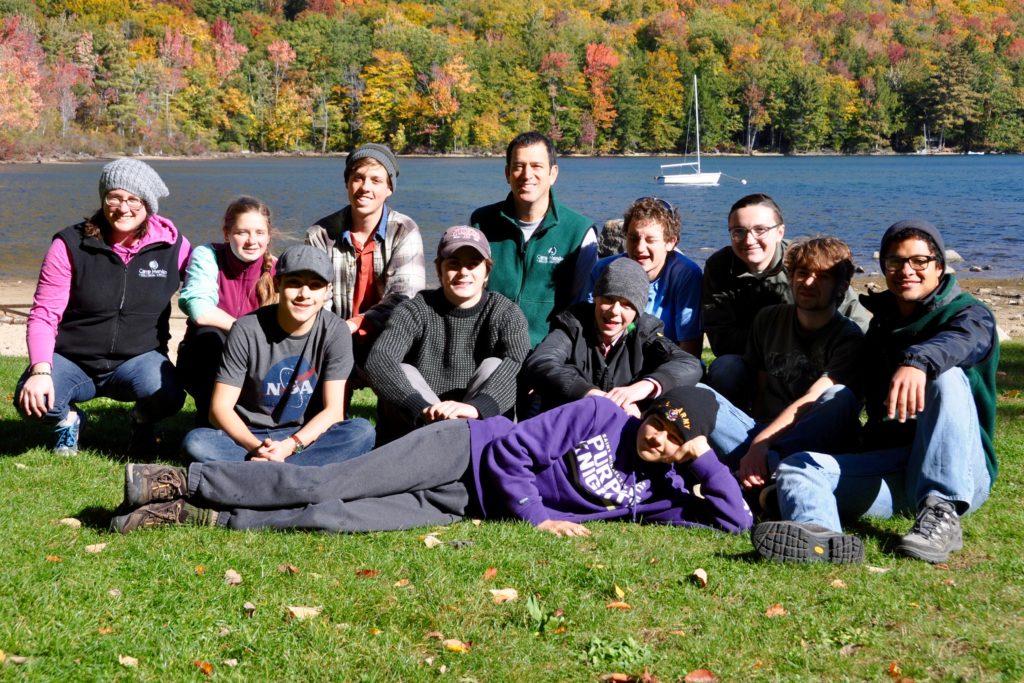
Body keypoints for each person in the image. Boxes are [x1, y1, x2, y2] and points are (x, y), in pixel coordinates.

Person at [110, 386, 753, 537]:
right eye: (663, 423)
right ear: (651, 409)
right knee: (332, 477)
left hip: (465, 504)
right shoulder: (603, 417)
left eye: (677, 440)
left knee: (336, 519)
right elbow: (514, 453)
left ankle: (197, 518)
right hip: (464, 450)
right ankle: (183, 478)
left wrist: (704, 464)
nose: (660, 440)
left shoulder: (663, 489)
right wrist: (536, 517)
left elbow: (734, 524)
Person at [752, 220, 998, 564]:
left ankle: (941, 513)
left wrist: (918, 362)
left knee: (945, 378)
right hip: (898, 467)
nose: (906, 270)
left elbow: (963, 340)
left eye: (919, 261)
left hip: (962, 472)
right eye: (895, 262)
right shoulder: (881, 325)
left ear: (939, 266)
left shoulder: (969, 314)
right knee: (798, 469)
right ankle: (820, 538)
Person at [15, 158, 189, 456]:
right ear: (103, 198)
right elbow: (44, 313)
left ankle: (140, 420)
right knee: (32, 400)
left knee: (170, 395)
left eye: (134, 199)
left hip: (138, 361)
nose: (123, 208)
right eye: (114, 197)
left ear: (148, 204)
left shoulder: (174, 247)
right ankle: (69, 420)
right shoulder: (70, 243)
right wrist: (41, 371)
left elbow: (209, 286)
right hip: (73, 359)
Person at [180, 245, 375, 466]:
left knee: (362, 432)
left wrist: (290, 446)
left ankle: (264, 472)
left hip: (304, 435)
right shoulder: (246, 329)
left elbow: (333, 411)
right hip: (250, 434)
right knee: (196, 442)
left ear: (327, 290)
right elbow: (219, 409)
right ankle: (296, 473)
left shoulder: (336, 331)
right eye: (294, 283)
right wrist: (257, 448)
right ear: (277, 284)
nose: (304, 294)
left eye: (315, 286)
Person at [705, 237, 864, 492]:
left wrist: (761, 444)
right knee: (699, 394)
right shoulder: (768, 319)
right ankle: (761, 469)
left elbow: (814, 399)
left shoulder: (850, 338)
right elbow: (760, 384)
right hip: (763, 430)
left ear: (842, 286)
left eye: (822, 276)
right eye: (802, 273)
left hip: (814, 436)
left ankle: (757, 468)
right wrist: (757, 437)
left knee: (838, 397)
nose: (808, 282)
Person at [365, 226, 530, 444]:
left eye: (473, 264)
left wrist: (475, 408)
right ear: (439, 270)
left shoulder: (505, 312)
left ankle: (465, 445)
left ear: (487, 272)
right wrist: (422, 409)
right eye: (454, 263)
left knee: (495, 365)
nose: (464, 272)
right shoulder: (415, 309)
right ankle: (442, 442)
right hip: (422, 427)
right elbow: (379, 361)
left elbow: (518, 362)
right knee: (403, 370)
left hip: (477, 425)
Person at [702, 193, 869, 407]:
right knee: (725, 368)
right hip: (757, 361)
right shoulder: (720, 267)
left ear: (780, 231)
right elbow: (721, 337)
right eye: (739, 231)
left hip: (819, 362)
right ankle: (741, 420)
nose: (749, 240)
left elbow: (856, 317)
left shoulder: (805, 263)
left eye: (760, 229)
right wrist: (774, 344)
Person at [523, 257, 701, 416]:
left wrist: (644, 386)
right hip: (569, 422)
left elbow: (688, 364)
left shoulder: (645, 332)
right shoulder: (572, 325)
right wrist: (593, 395)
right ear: (596, 299)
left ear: (637, 311)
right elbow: (541, 362)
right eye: (608, 299)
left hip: (624, 427)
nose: (615, 311)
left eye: (627, 305)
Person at [306, 143, 425, 377]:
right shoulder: (320, 234)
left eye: (376, 180)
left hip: (389, 336)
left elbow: (405, 297)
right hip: (333, 337)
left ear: (389, 188)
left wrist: (355, 324)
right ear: (347, 183)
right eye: (358, 178)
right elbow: (317, 300)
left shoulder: (404, 230)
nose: (365, 187)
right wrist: (337, 336)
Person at [470, 131, 598, 347]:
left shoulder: (579, 232)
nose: (526, 174)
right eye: (518, 166)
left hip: (547, 353)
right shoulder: (481, 223)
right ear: (507, 173)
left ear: (553, 173)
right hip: (486, 347)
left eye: (537, 166)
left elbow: (583, 306)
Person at [177, 196, 277, 426]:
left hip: (259, 359)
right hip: (205, 358)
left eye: (259, 233)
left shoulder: (277, 269)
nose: (252, 241)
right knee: (210, 335)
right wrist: (246, 333)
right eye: (242, 232)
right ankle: (210, 419)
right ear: (227, 233)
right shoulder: (208, 255)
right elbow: (200, 310)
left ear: (269, 235)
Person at [584, 197, 703, 356]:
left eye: (650, 240)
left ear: (670, 242)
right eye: (633, 238)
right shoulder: (604, 270)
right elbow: (585, 326)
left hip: (667, 363)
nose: (640, 248)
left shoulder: (685, 274)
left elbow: (690, 346)